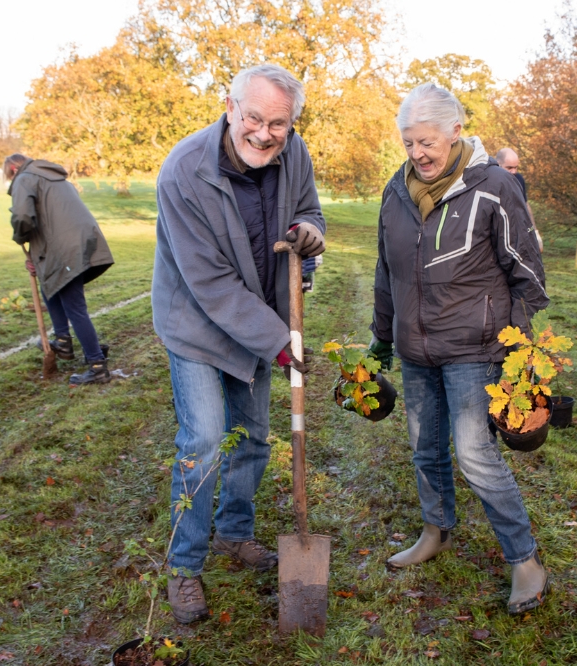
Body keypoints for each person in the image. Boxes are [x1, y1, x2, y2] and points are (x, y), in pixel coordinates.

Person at [151, 64, 326, 624]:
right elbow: (209, 285)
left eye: (278, 122)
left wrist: (309, 233)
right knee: (203, 441)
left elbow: (309, 212)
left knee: (251, 436)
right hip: (199, 324)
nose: (264, 133)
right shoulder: (183, 171)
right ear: (229, 107)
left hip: (261, 316)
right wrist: (279, 341)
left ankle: (234, 532)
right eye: (254, 117)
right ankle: (184, 566)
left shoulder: (294, 152)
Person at [370, 83, 550, 615]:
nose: (418, 153)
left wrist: (519, 352)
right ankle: (436, 531)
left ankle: (525, 560)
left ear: (455, 131)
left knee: (475, 455)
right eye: (408, 143)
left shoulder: (494, 185)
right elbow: (387, 271)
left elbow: (528, 273)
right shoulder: (395, 191)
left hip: (476, 347)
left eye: (426, 141)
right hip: (415, 348)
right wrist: (383, 336)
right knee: (425, 447)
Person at [4, 154, 114, 385]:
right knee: (51, 286)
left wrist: (19, 238)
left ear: (13, 169)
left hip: (64, 247)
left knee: (74, 306)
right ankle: (63, 340)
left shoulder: (25, 178)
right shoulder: (53, 176)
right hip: (80, 242)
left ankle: (97, 366)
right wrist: (36, 256)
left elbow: (23, 216)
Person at [495, 147, 543, 252]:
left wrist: (535, 232)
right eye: (509, 168)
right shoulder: (488, 181)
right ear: (498, 164)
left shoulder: (518, 179)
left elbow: (524, 206)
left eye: (516, 167)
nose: (514, 171)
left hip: (514, 233)